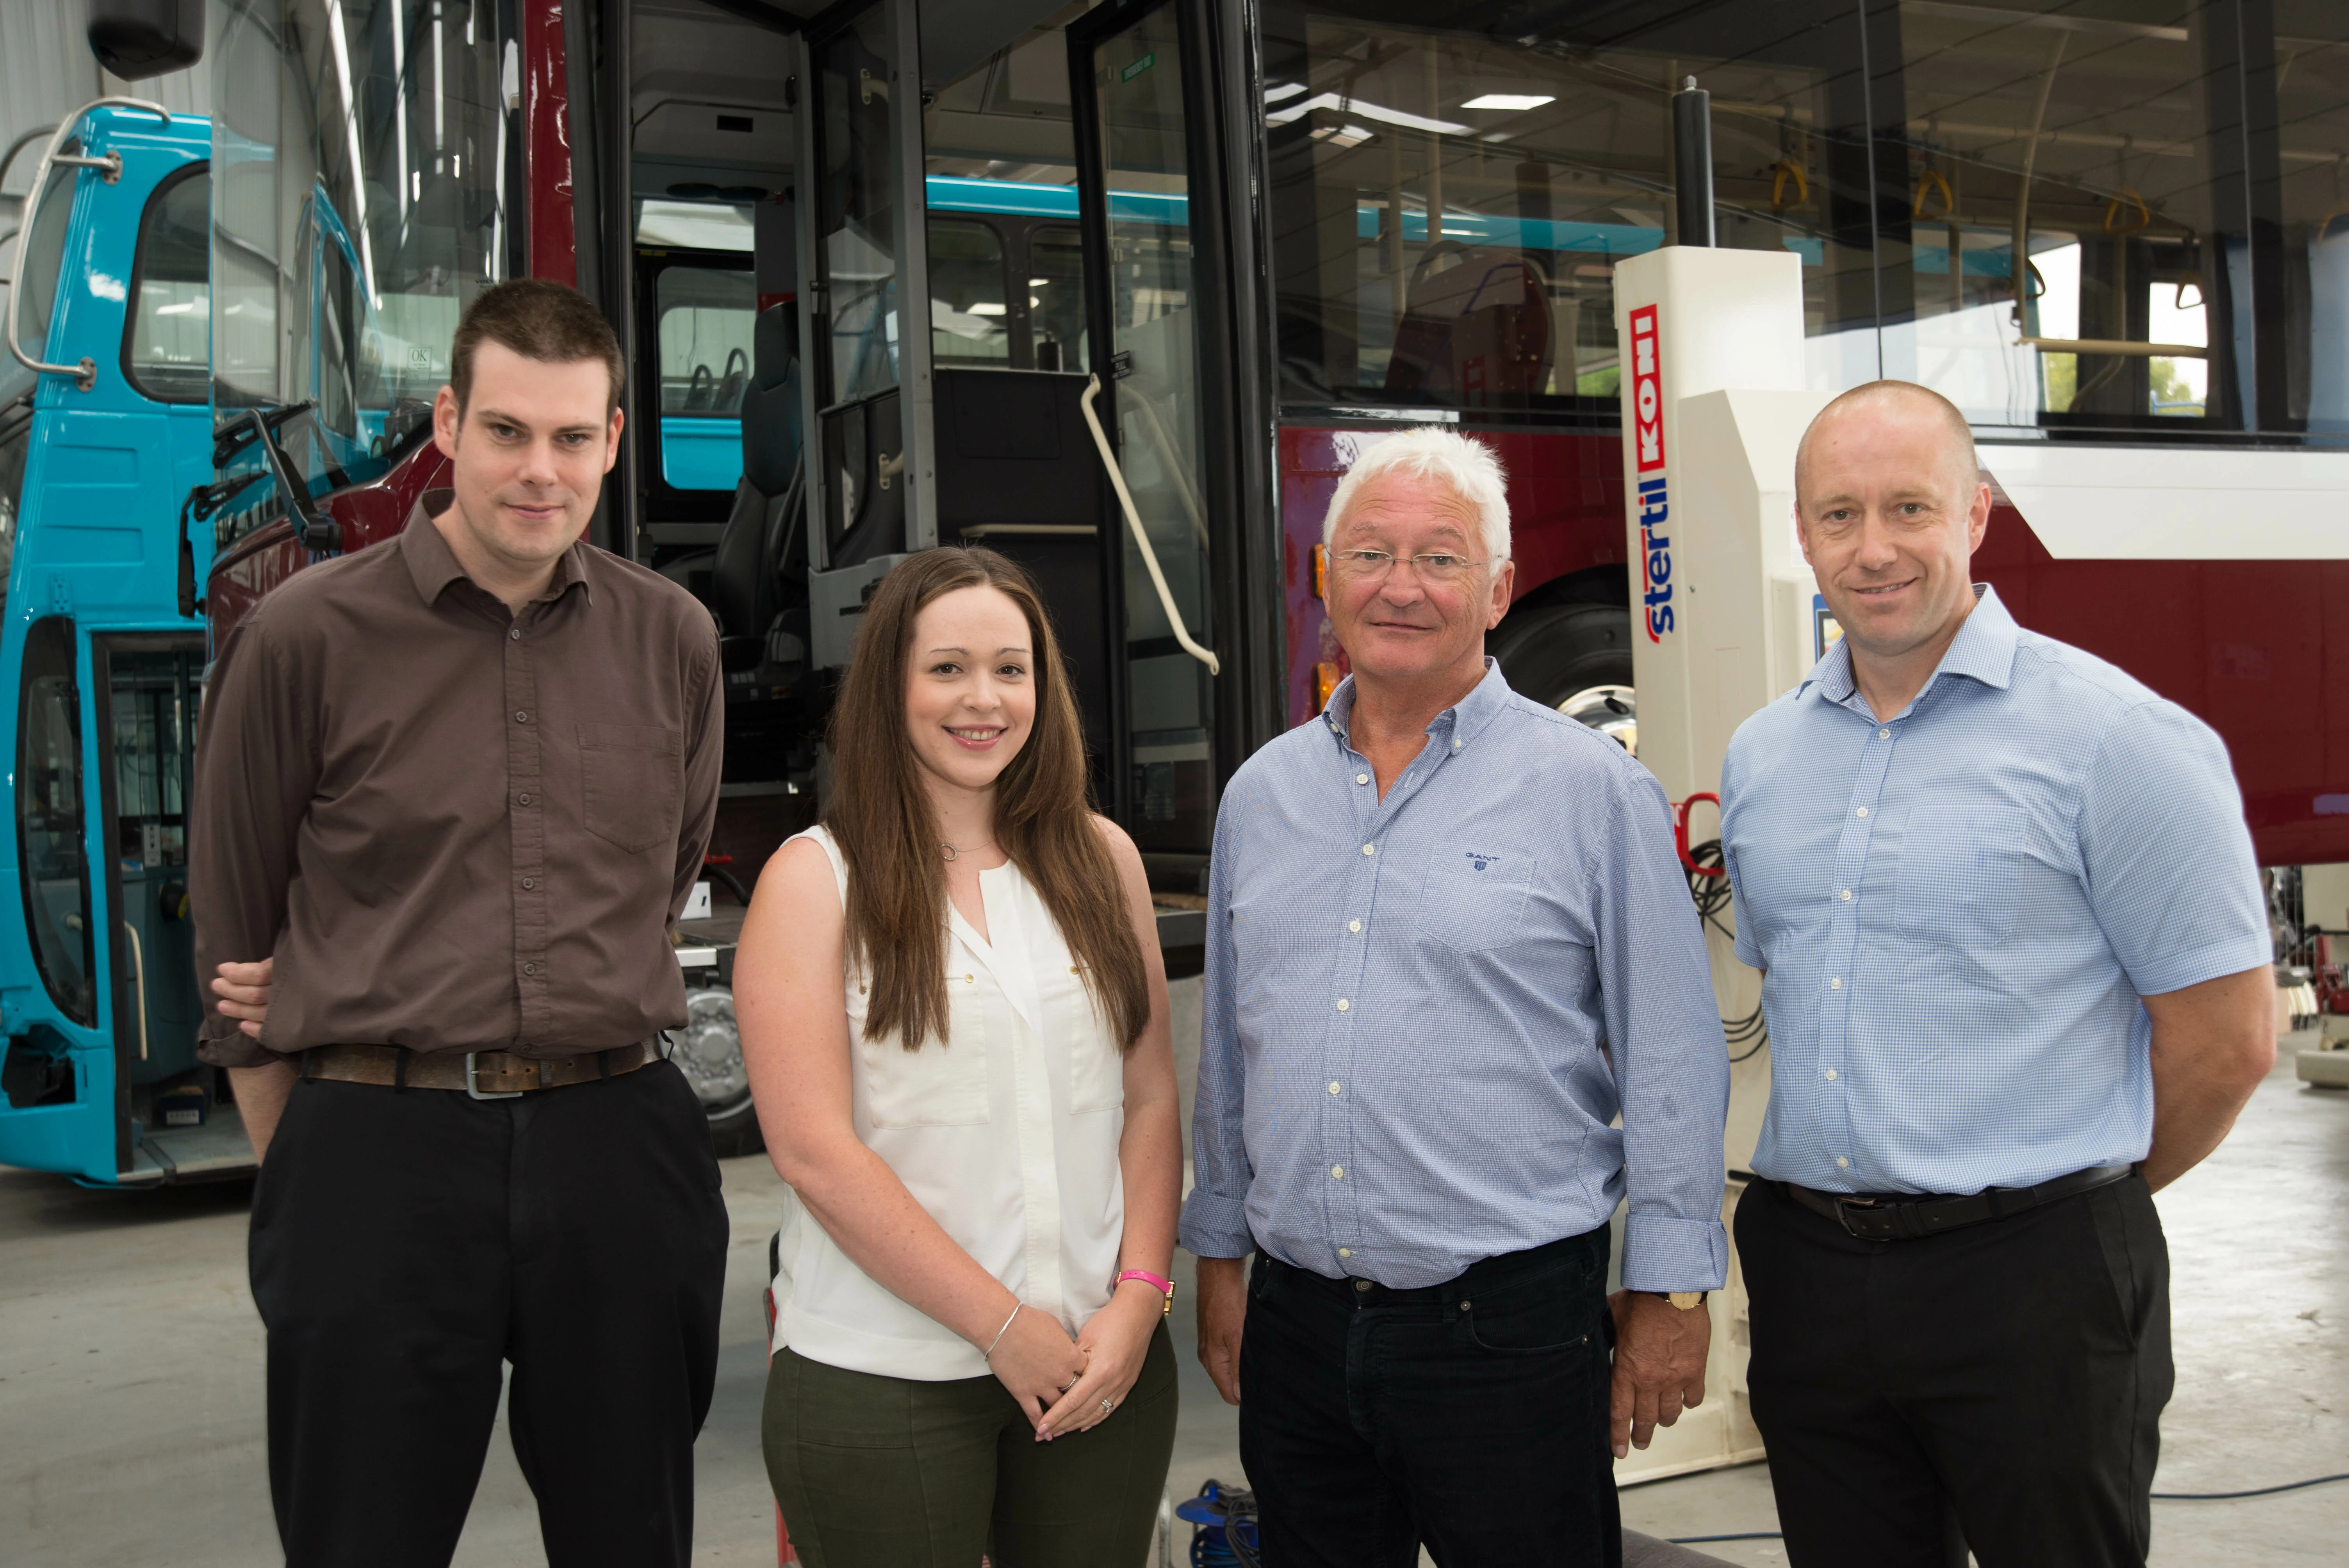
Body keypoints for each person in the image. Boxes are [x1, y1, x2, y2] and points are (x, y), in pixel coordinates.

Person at [192, 279, 729, 1567]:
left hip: (620, 1147)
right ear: (447, 421)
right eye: (505, 431)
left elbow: (663, 880)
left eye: (571, 437)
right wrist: (325, 1153)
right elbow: (235, 924)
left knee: (632, 1538)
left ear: (611, 440)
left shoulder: (674, 639)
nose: (538, 472)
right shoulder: (302, 637)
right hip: (375, 1154)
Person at [1719, 381, 2276, 1567]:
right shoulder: (1765, 760)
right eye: (1839, 515)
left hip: (2036, 1284)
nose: (1873, 550)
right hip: (1813, 1277)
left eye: (1909, 508)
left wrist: (2066, 1208)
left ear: (1978, 515)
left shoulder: (2117, 740)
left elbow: (2228, 1044)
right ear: (1803, 536)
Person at [1183, 427, 1731, 1566]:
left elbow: (1673, 1052)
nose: (1401, 585)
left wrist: (1672, 1291)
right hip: (1298, 1322)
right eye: (1371, 553)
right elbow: (1233, 1059)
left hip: (1508, 1332)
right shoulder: (1260, 797)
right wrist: (1222, 1258)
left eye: (1440, 557)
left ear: (1498, 590)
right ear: (1328, 579)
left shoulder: (1591, 791)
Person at [735, 547, 1183, 1567]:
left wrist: (1142, 1297)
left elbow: (1150, 1099)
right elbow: (813, 1152)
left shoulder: (1101, 860)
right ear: (890, 686)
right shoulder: (815, 882)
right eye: (946, 668)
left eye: (1010, 669)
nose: (983, 699)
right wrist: (1000, 1326)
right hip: (885, 1380)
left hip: (1098, 1367)